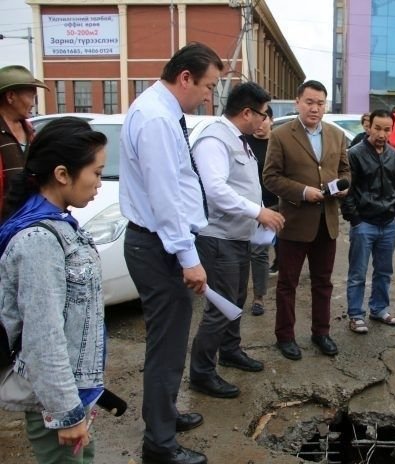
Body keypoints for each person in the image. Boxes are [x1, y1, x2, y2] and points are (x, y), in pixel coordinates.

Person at [119, 43, 223, 464]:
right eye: (208, 86)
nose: (209, 96)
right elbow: (164, 198)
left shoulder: (160, 110)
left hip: (158, 242)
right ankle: (159, 445)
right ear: (185, 78)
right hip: (158, 246)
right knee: (167, 347)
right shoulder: (157, 119)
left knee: (168, 342)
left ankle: (164, 414)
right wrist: (188, 258)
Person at [0, 117, 107, 463]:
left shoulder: (59, 224)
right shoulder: (39, 240)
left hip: (71, 394)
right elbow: (43, 336)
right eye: (96, 173)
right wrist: (66, 413)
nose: (99, 183)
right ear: (62, 174)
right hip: (53, 404)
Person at [188, 82, 284, 399]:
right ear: (247, 113)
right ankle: (202, 373)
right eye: (263, 114)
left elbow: (243, 184)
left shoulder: (238, 140)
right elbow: (215, 190)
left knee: (236, 299)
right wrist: (258, 212)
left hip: (238, 236)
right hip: (218, 239)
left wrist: (260, 214)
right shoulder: (214, 139)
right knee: (221, 307)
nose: (264, 120)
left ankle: (230, 350)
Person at [263, 80, 350, 361]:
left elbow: (345, 170)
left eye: (320, 103)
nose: (315, 108)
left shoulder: (337, 135)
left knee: (323, 282)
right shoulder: (281, 135)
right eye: (309, 102)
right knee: (287, 283)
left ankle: (321, 333)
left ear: (326, 105)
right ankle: (285, 336)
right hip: (295, 221)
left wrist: (344, 186)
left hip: (327, 221)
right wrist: (302, 192)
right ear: (297, 103)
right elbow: (271, 177)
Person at [341, 109, 395, 334]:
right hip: (364, 223)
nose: (381, 134)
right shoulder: (354, 154)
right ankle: (356, 315)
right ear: (368, 127)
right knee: (358, 273)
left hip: (388, 223)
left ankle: (379, 309)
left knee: (384, 271)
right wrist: (355, 218)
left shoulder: (394, 154)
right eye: (377, 128)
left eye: (387, 129)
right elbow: (347, 190)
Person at [0, 65, 48, 218]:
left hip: (27, 219)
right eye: (31, 97)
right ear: (10, 96)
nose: (33, 104)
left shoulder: (30, 131)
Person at [246, 106, 278, 312]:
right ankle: (259, 297)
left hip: (279, 204)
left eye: (264, 118)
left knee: (282, 246)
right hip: (253, 207)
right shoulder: (244, 142)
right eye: (257, 118)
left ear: (271, 120)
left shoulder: (279, 142)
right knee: (258, 251)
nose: (260, 123)